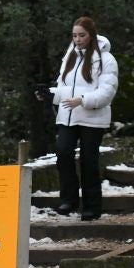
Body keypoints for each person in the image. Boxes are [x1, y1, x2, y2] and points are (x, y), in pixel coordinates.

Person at [52, 16, 118, 222]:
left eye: (82, 35)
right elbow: (63, 87)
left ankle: (91, 206)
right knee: (63, 153)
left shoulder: (107, 59)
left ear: (91, 35)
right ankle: (69, 200)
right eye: (74, 35)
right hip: (68, 116)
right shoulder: (69, 56)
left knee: (89, 161)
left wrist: (83, 100)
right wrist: (50, 94)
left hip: (92, 118)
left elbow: (108, 92)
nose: (78, 39)